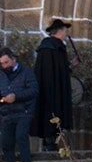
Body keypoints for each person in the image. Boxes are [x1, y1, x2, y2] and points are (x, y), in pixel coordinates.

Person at [0, 47, 39, 162]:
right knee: (6, 143)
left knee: (21, 138)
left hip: (24, 112)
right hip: (7, 114)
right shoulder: (1, 76)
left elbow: (34, 91)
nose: (4, 66)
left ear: (14, 59)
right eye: (2, 63)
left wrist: (16, 96)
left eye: (6, 62)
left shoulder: (27, 73)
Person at [32, 18, 79, 151]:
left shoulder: (45, 47)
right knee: (54, 112)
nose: (66, 34)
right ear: (60, 31)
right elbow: (59, 71)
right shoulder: (57, 47)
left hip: (45, 90)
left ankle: (48, 142)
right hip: (55, 91)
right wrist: (69, 66)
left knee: (47, 112)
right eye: (65, 30)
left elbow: (57, 69)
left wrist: (69, 66)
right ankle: (51, 142)